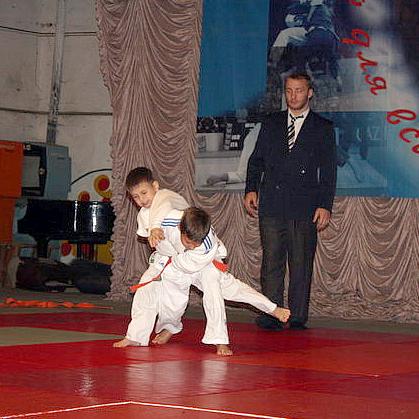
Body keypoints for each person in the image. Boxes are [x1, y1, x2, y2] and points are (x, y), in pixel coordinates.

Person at [114, 168, 290, 354]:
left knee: (224, 290)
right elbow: (160, 207)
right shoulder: (160, 216)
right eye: (136, 196)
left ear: (155, 187)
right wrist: (156, 231)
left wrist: (162, 234)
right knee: (155, 294)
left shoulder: (203, 238)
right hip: (170, 261)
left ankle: (224, 338)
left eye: (144, 193)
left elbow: (163, 200)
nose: (142, 200)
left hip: (202, 264)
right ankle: (143, 334)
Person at [244, 72, 337, 330]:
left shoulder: (323, 127)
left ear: (310, 93)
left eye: (299, 90)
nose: (293, 96)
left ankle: (296, 317)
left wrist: (325, 205)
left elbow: (329, 171)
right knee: (271, 262)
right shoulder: (271, 123)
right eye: (289, 90)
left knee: (300, 264)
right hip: (272, 202)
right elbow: (256, 160)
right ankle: (272, 313)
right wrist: (251, 189)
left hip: (305, 205)